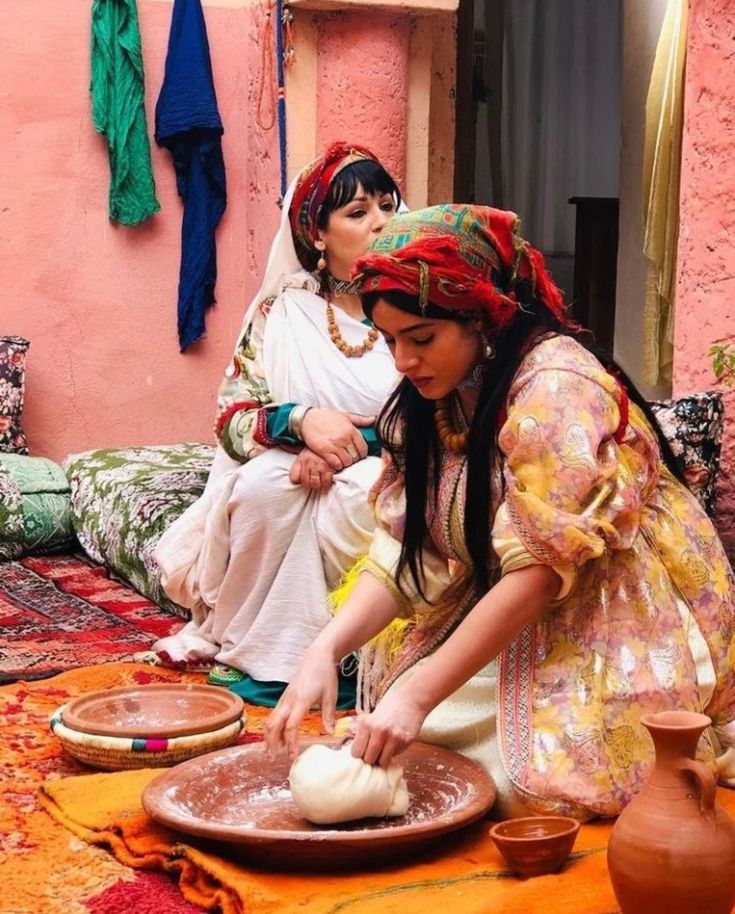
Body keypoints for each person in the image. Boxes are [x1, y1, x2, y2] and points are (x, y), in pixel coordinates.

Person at [265, 204, 735, 819]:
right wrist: (323, 650)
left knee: (526, 786)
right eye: (391, 340)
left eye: (422, 338)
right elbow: (416, 548)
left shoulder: (556, 386)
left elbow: (540, 572)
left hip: (605, 597)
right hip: (508, 590)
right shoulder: (431, 399)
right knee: (412, 737)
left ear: (483, 319)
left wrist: (417, 695)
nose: (403, 361)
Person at [151, 142, 402, 707]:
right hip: (292, 460)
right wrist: (301, 423)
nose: (381, 222)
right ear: (317, 233)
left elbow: (441, 408)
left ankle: (347, 657)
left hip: (392, 463)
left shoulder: (416, 303)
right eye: (358, 213)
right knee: (264, 488)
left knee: (360, 497)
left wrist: (349, 445)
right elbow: (232, 419)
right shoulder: (283, 310)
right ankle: (255, 650)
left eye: (387, 205)